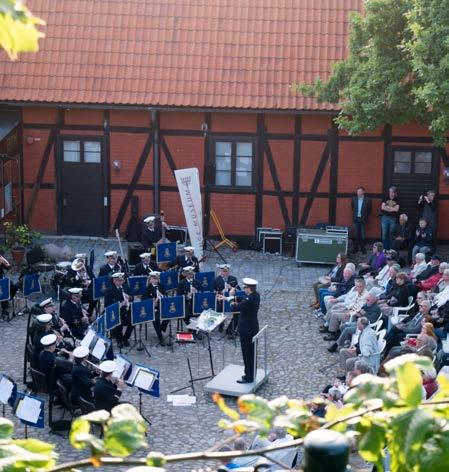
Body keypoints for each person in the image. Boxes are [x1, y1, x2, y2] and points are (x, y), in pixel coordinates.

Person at [219, 278, 260, 384]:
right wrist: (228, 297)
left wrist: (231, 297)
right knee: (251, 354)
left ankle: (249, 377)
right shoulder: (255, 295)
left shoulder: (249, 300)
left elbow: (234, 308)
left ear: (249, 288)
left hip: (247, 331)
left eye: (245, 287)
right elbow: (242, 298)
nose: (244, 289)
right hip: (252, 328)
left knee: (248, 354)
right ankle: (251, 373)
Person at [104, 272, 133, 348]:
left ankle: (125, 338)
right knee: (119, 323)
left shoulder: (125, 287)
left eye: (122, 280)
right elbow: (107, 305)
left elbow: (132, 298)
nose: (121, 282)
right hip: (115, 312)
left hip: (126, 310)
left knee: (133, 321)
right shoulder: (109, 290)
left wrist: (129, 298)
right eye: (118, 281)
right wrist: (120, 304)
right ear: (114, 281)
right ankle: (119, 340)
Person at [142, 271, 169, 346]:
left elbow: (166, 294)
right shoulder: (148, 288)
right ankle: (160, 337)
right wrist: (153, 301)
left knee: (169, 315)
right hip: (152, 308)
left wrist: (162, 296)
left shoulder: (161, 285)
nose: (156, 280)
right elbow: (144, 299)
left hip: (162, 306)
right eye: (154, 279)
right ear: (150, 279)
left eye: (157, 279)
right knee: (156, 319)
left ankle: (162, 328)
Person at [351, 186, 372, 254]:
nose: (358, 193)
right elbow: (353, 208)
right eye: (357, 192)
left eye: (360, 191)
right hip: (356, 218)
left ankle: (363, 248)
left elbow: (369, 210)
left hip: (363, 219)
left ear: (363, 192)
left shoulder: (368, 200)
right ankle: (356, 248)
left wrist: (365, 216)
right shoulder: (354, 199)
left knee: (363, 234)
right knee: (356, 234)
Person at [380, 186, 400, 250]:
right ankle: (385, 248)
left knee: (391, 234)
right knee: (384, 234)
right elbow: (382, 207)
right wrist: (392, 209)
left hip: (393, 218)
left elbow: (396, 209)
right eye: (390, 192)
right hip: (385, 218)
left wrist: (387, 208)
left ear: (395, 193)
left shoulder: (397, 199)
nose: (391, 193)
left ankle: (390, 249)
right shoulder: (385, 198)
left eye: (392, 192)